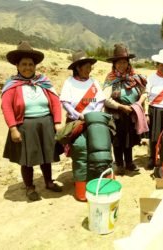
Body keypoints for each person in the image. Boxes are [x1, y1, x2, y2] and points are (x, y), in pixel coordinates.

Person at [1, 41, 63, 202]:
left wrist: (57, 122)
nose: (27, 67)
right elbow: (6, 107)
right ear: (17, 66)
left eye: (30, 64)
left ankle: (49, 182)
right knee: (27, 159)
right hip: (25, 126)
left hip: (46, 124)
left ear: (35, 66)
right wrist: (13, 128)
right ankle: (29, 187)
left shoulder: (43, 82)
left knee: (46, 156)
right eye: (24, 64)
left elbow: (55, 102)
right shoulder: (12, 85)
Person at [59, 50, 105, 201]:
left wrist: (94, 115)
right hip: (76, 122)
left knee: (96, 151)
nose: (89, 69)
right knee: (80, 152)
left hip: (94, 122)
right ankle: (81, 188)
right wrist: (78, 115)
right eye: (86, 66)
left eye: (90, 66)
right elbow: (65, 102)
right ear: (78, 67)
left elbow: (100, 101)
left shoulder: (94, 83)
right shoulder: (69, 83)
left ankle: (94, 183)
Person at [103, 44, 148, 175]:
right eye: (119, 62)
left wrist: (139, 103)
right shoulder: (111, 78)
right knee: (117, 141)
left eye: (124, 62)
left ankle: (129, 162)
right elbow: (105, 99)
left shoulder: (135, 77)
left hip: (132, 114)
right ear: (114, 64)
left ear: (128, 63)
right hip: (116, 114)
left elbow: (145, 92)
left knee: (129, 139)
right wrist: (121, 106)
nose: (122, 65)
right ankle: (119, 164)